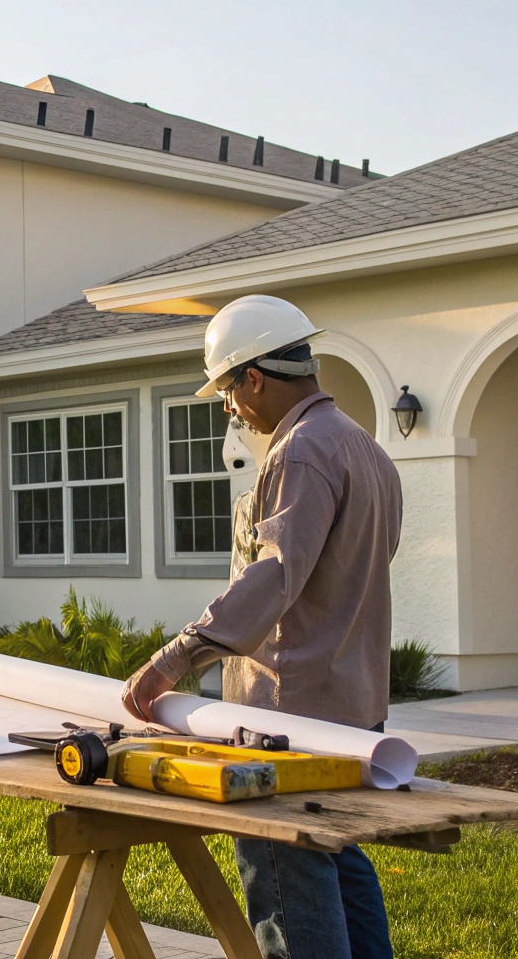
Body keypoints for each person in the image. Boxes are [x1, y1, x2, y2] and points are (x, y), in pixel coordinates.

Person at [120, 294, 402, 959]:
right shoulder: (364, 449)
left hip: (287, 717)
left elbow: (274, 577)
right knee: (336, 854)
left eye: (227, 389)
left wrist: (179, 657)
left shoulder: (299, 454)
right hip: (352, 712)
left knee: (286, 879)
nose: (228, 407)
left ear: (254, 377)